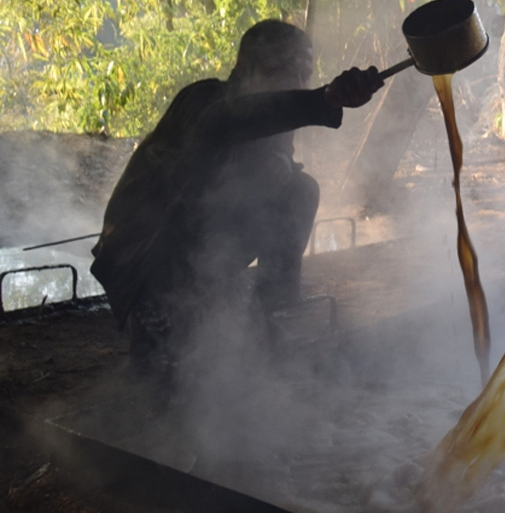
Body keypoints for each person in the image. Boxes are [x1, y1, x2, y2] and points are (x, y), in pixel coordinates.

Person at [90, 19, 384, 376]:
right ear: (245, 69)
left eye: (305, 74)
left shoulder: (272, 122)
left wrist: (281, 170)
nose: (297, 83)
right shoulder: (203, 101)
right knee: (176, 377)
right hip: (142, 261)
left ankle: (264, 316)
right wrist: (322, 99)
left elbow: (269, 163)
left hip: (203, 253)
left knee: (299, 190)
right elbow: (230, 122)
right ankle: (153, 322)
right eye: (283, 71)